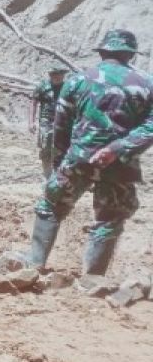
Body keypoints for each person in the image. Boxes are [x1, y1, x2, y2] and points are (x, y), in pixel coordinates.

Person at [27, 30, 153, 276]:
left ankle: (34, 263)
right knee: (110, 218)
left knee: (51, 205)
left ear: (103, 52)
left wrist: (59, 164)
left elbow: (60, 127)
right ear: (130, 54)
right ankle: (93, 278)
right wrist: (117, 149)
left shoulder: (78, 80)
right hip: (121, 164)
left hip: (78, 158)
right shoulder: (147, 84)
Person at [30, 67, 69, 178]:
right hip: (46, 123)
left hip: (63, 123)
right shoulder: (43, 87)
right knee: (45, 148)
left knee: (62, 150)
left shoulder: (68, 88)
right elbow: (33, 103)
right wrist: (31, 122)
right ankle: (47, 175)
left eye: (59, 74)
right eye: (54, 74)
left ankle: (59, 175)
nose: (56, 77)